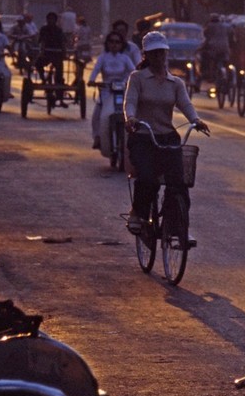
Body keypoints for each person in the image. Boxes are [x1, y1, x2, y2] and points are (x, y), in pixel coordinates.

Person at [123, 30, 210, 234]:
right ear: (146, 55)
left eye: (162, 53)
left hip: (168, 138)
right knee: (147, 178)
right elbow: (130, 102)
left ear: (166, 54)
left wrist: (196, 120)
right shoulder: (137, 78)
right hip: (143, 137)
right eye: (154, 54)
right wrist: (131, 119)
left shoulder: (176, 83)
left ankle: (178, 225)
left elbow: (186, 105)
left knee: (178, 184)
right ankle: (138, 212)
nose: (159, 57)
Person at [87, 31, 137, 147]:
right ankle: (97, 137)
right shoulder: (103, 57)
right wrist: (92, 80)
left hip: (122, 90)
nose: (114, 44)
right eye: (112, 42)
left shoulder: (124, 58)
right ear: (107, 43)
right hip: (106, 90)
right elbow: (95, 70)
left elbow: (133, 72)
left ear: (121, 44)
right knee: (96, 115)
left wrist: (131, 81)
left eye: (117, 42)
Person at [36, 11, 67, 104]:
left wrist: (64, 52)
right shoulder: (43, 29)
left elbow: (63, 42)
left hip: (57, 55)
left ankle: (59, 94)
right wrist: (41, 50)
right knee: (38, 63)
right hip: (46, 54)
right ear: (47, 20)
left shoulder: (59, 30)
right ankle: (43, 79)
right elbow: (40, 41)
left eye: (53, 19)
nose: (51, 21)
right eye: (49, 19)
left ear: (55, 20)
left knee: (59, 74)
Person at [200, 13, 231, 87]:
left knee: (211, 60)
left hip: (213, 47)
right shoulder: (225, 26)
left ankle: (211, 76)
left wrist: (202, 47)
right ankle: (227, 74)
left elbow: (206, 36)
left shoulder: (209, 26)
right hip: (225, 47)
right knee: (225, 60)